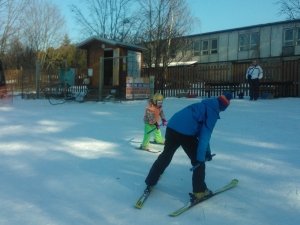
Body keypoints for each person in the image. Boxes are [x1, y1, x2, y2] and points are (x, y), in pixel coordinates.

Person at [144, 92, 232, 202]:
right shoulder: (212, 114)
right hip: (185, 134)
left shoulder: (203, 105)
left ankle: (150, 180)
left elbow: (202, 134)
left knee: (166, 155)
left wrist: (207, 152)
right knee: (198, 163)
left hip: (172, 127)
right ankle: (199, 192)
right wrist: (201, 158)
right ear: (223, 107)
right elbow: (204, 138)